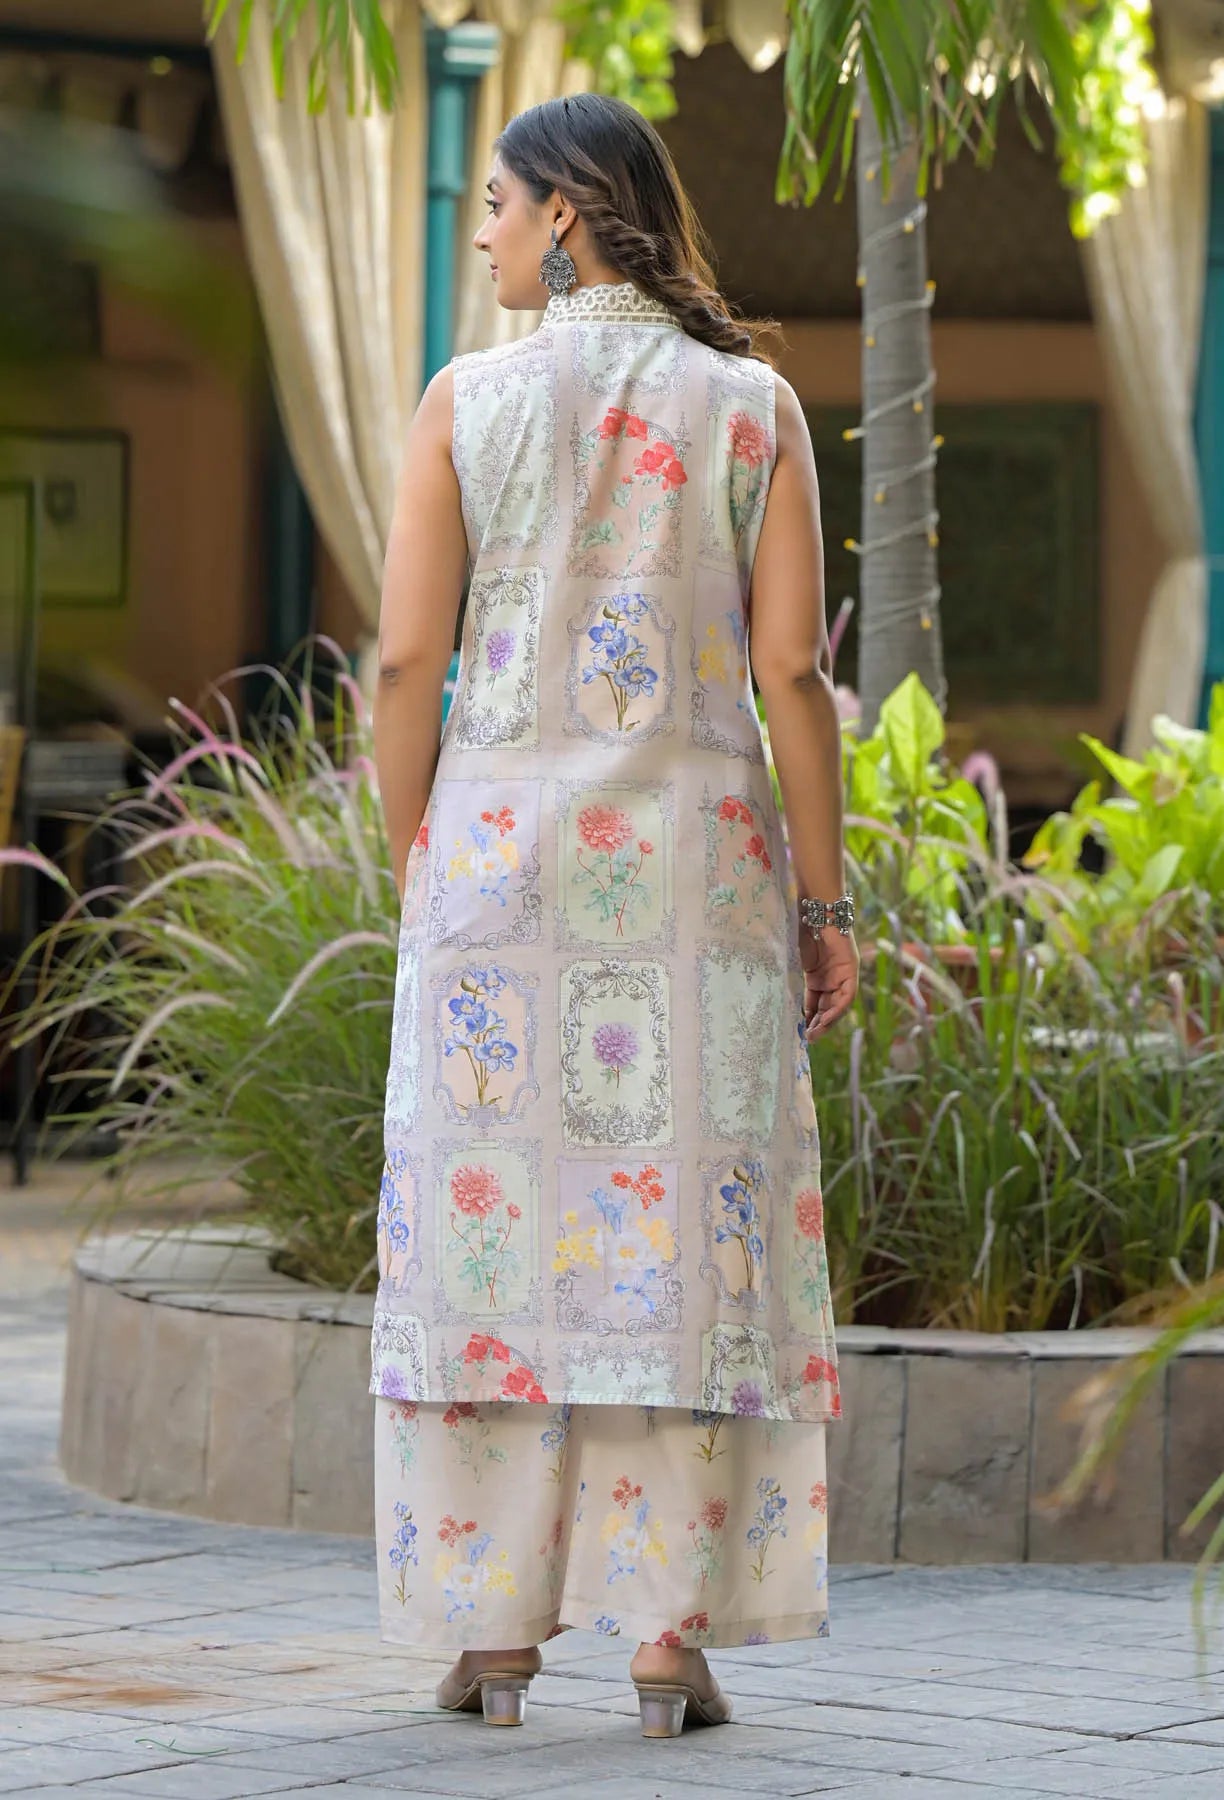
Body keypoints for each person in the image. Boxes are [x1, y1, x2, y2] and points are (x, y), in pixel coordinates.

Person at [370, 91, 858, 1739]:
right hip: (694, 891)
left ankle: (494, 1638)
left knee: (493, 1239)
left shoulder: (467, 403)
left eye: (501, 204)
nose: (490, 231)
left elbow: (399, 666)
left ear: (569, 213)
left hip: (498, 887)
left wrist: (414, 852)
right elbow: (791, 670)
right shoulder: (754, 407)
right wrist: (827, 895)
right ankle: (665, 1637)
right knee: (677, 1248)